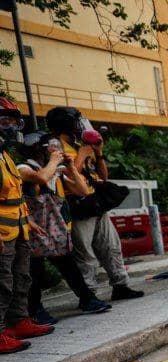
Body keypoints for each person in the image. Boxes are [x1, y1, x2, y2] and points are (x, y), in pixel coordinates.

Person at [45, 107, 144, 300]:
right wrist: (81, 155)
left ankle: (120, 285)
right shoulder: (55, 146)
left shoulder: (78, 144)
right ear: (66, 124)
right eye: (75, 122)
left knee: (111, 246)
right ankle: (89, 294)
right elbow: (67, 174)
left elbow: (102, 176)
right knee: (85, 254)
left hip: (94, 202)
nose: (79, 126)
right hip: (77, 205)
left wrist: (98, 154)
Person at [17, 131, 112, 324]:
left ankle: (87, 299)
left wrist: (70, 166)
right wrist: (54, 162)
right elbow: (41, 179)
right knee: (34, 271)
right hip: (32, 227)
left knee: (68, 265)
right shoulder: (23, 167)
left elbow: (83, 191)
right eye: (50, 148)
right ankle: (35, 310)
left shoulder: (54, 170)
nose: (55, 150)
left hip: (52, 228)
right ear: (39, 150)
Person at [0, 99, 55, 353]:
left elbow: (14, 196)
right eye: (5, 119)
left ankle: (18, 321)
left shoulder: (6, 157)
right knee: (2, 282)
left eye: (13, 119)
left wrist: (29, 221)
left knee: (21, 278)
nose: (11, 125)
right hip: (3, 233)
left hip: (18, 229)